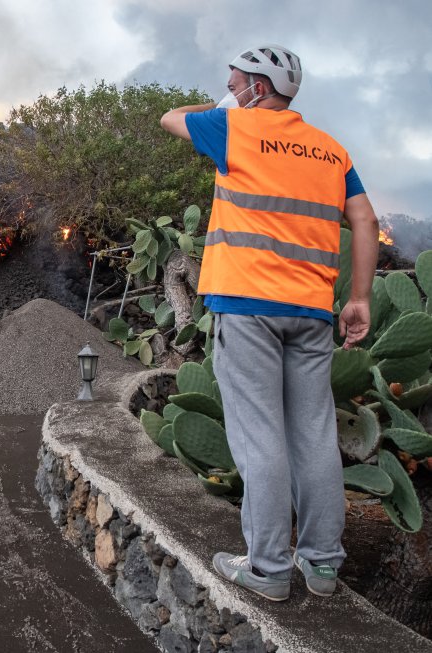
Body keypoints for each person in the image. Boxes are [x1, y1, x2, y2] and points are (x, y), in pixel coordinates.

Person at [159, 44, 379, 601]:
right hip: (309, 311)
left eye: (236, 82)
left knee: (260, 437)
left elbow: (169, 118)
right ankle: (324, 567)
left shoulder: (234, 129)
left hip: (247, 306)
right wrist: (359, 299)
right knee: (313, 435)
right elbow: (365, 219)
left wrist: (227, 107)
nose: (230, 89)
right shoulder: (332, 151)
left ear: (258, 86)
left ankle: (268, 570)